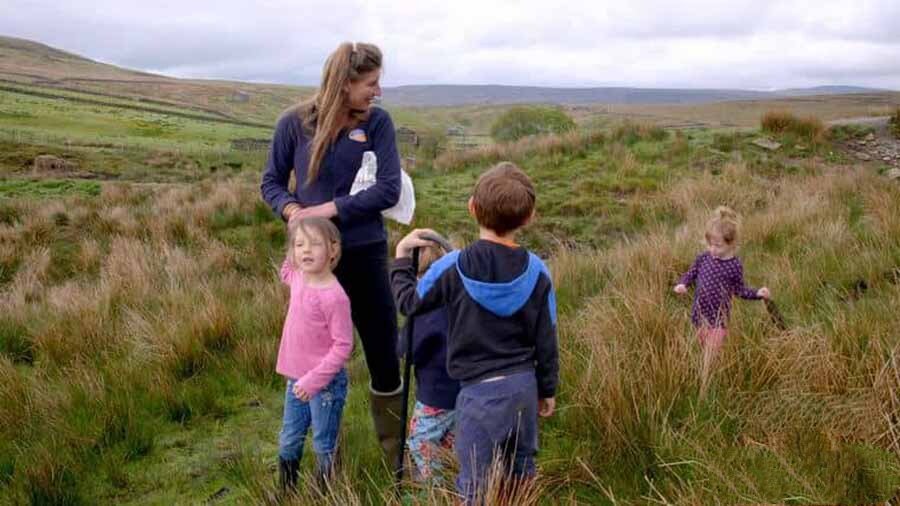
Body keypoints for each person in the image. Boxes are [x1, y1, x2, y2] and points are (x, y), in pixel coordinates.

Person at [260, 41, 406, 468]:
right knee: (316, 361)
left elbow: (388, 189)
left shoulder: (377, 124)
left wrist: (326, 210)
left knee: (383, 352)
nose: (377, 92)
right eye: (371, 83)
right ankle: (328, 461)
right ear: (344, 84)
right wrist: (291, 211)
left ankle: (395, 455)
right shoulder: (294, 124)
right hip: (315, 266)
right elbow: (270, 182)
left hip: (365, 253)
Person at [390, 162, 559, 504]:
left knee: (475, 483)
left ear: (472, 208)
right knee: (520, 470)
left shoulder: (450, 268)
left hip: (477, 395)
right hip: (523, 388)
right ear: (529, 218)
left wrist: (401, 257)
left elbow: (409, 303)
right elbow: (547, 339)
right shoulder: (539, 272)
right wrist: (547, 389)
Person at [275, 217, 353, 492]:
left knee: (323, 442)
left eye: (315, 244)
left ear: (333, 249)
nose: (306, 250)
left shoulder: (334, 297)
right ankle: (286, 490)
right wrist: (293, 225)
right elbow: (286, 268)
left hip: (325, 385)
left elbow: (343, 345)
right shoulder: (298, 276)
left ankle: (323, 493)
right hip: (295, 381)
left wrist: (313, 381)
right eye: (299, 245)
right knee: (289, 438)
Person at [673, 206, 770, 395]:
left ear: (731, 244)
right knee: (702, 349)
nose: (712, 249)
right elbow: (690, 274)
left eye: (718, 245)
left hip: (719, 320)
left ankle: (705, 388)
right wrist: (683, 284)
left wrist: (758, 293)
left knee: (710, 357)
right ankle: (704, 376)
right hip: (699, 315)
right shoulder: (703, 258)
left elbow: (740, 290)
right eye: (710, 243)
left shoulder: (734, 266)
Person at [395, 240, 461, 483]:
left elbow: (409, 350)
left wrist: (399, 342)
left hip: (435, 392)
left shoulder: (425, 309)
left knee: (421, 438)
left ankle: (434, 486)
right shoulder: (461, 301)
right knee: (450, 438)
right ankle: (454, 480)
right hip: (463, 387)